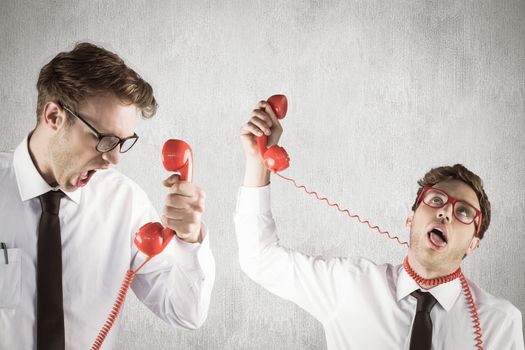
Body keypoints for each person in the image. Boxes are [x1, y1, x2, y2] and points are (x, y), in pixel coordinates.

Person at [235, 99, 524, 349]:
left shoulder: (499, 322)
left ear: (473, 244)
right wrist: (257, 162)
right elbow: (258, 259)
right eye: (436, 200)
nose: (445, 213)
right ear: (410, 218)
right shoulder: (350, 285)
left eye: (463, 213)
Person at [0, 42, 215, 349]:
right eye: (104, 139)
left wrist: (189, 240)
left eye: (123, 142)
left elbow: (186, 313)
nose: (113, 159)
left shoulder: (125, 203)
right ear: (53, 117)